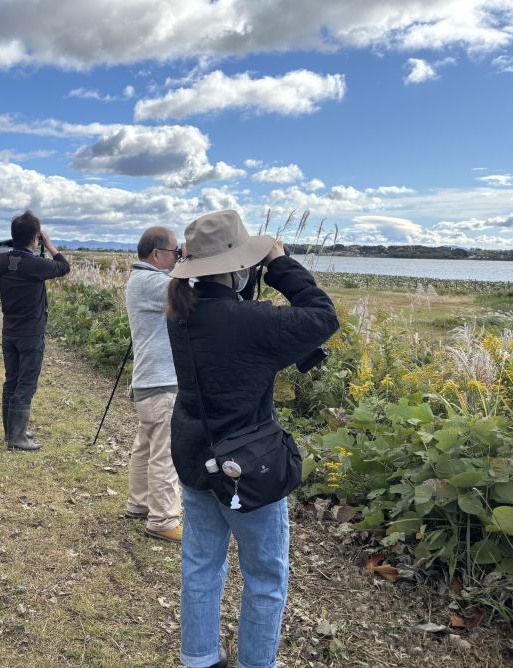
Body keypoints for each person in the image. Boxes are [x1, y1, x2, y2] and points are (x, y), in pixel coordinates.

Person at [165, 210, 338, 668]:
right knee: (265, 577)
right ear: (238, 263)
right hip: (248, 465)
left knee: (202, 565)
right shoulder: (251, 321)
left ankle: (198, 658)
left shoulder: (181, 313)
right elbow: (323, 316)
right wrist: (279, 263)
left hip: (194, 454)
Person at [124, 227, 184, 543]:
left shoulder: (140, 279)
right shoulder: (154, 282)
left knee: (145, 448)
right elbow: (194, 296)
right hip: (162, 383)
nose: (178, 257)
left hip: (148, 382)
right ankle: (163, 520)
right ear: (157, 254)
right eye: (175, 252)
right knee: (165, 454)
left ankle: (139, 504)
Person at [0, 210, 70, 451]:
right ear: (35, 238)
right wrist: (48, 244)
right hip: (31, 334)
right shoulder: (35, 265)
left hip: (9, 331)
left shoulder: (1, 262)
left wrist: (31, 243)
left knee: (11, 381)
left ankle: (12, 431)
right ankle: (17, 438)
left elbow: (17, 258)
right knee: (26, 384)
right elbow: (63, 266)